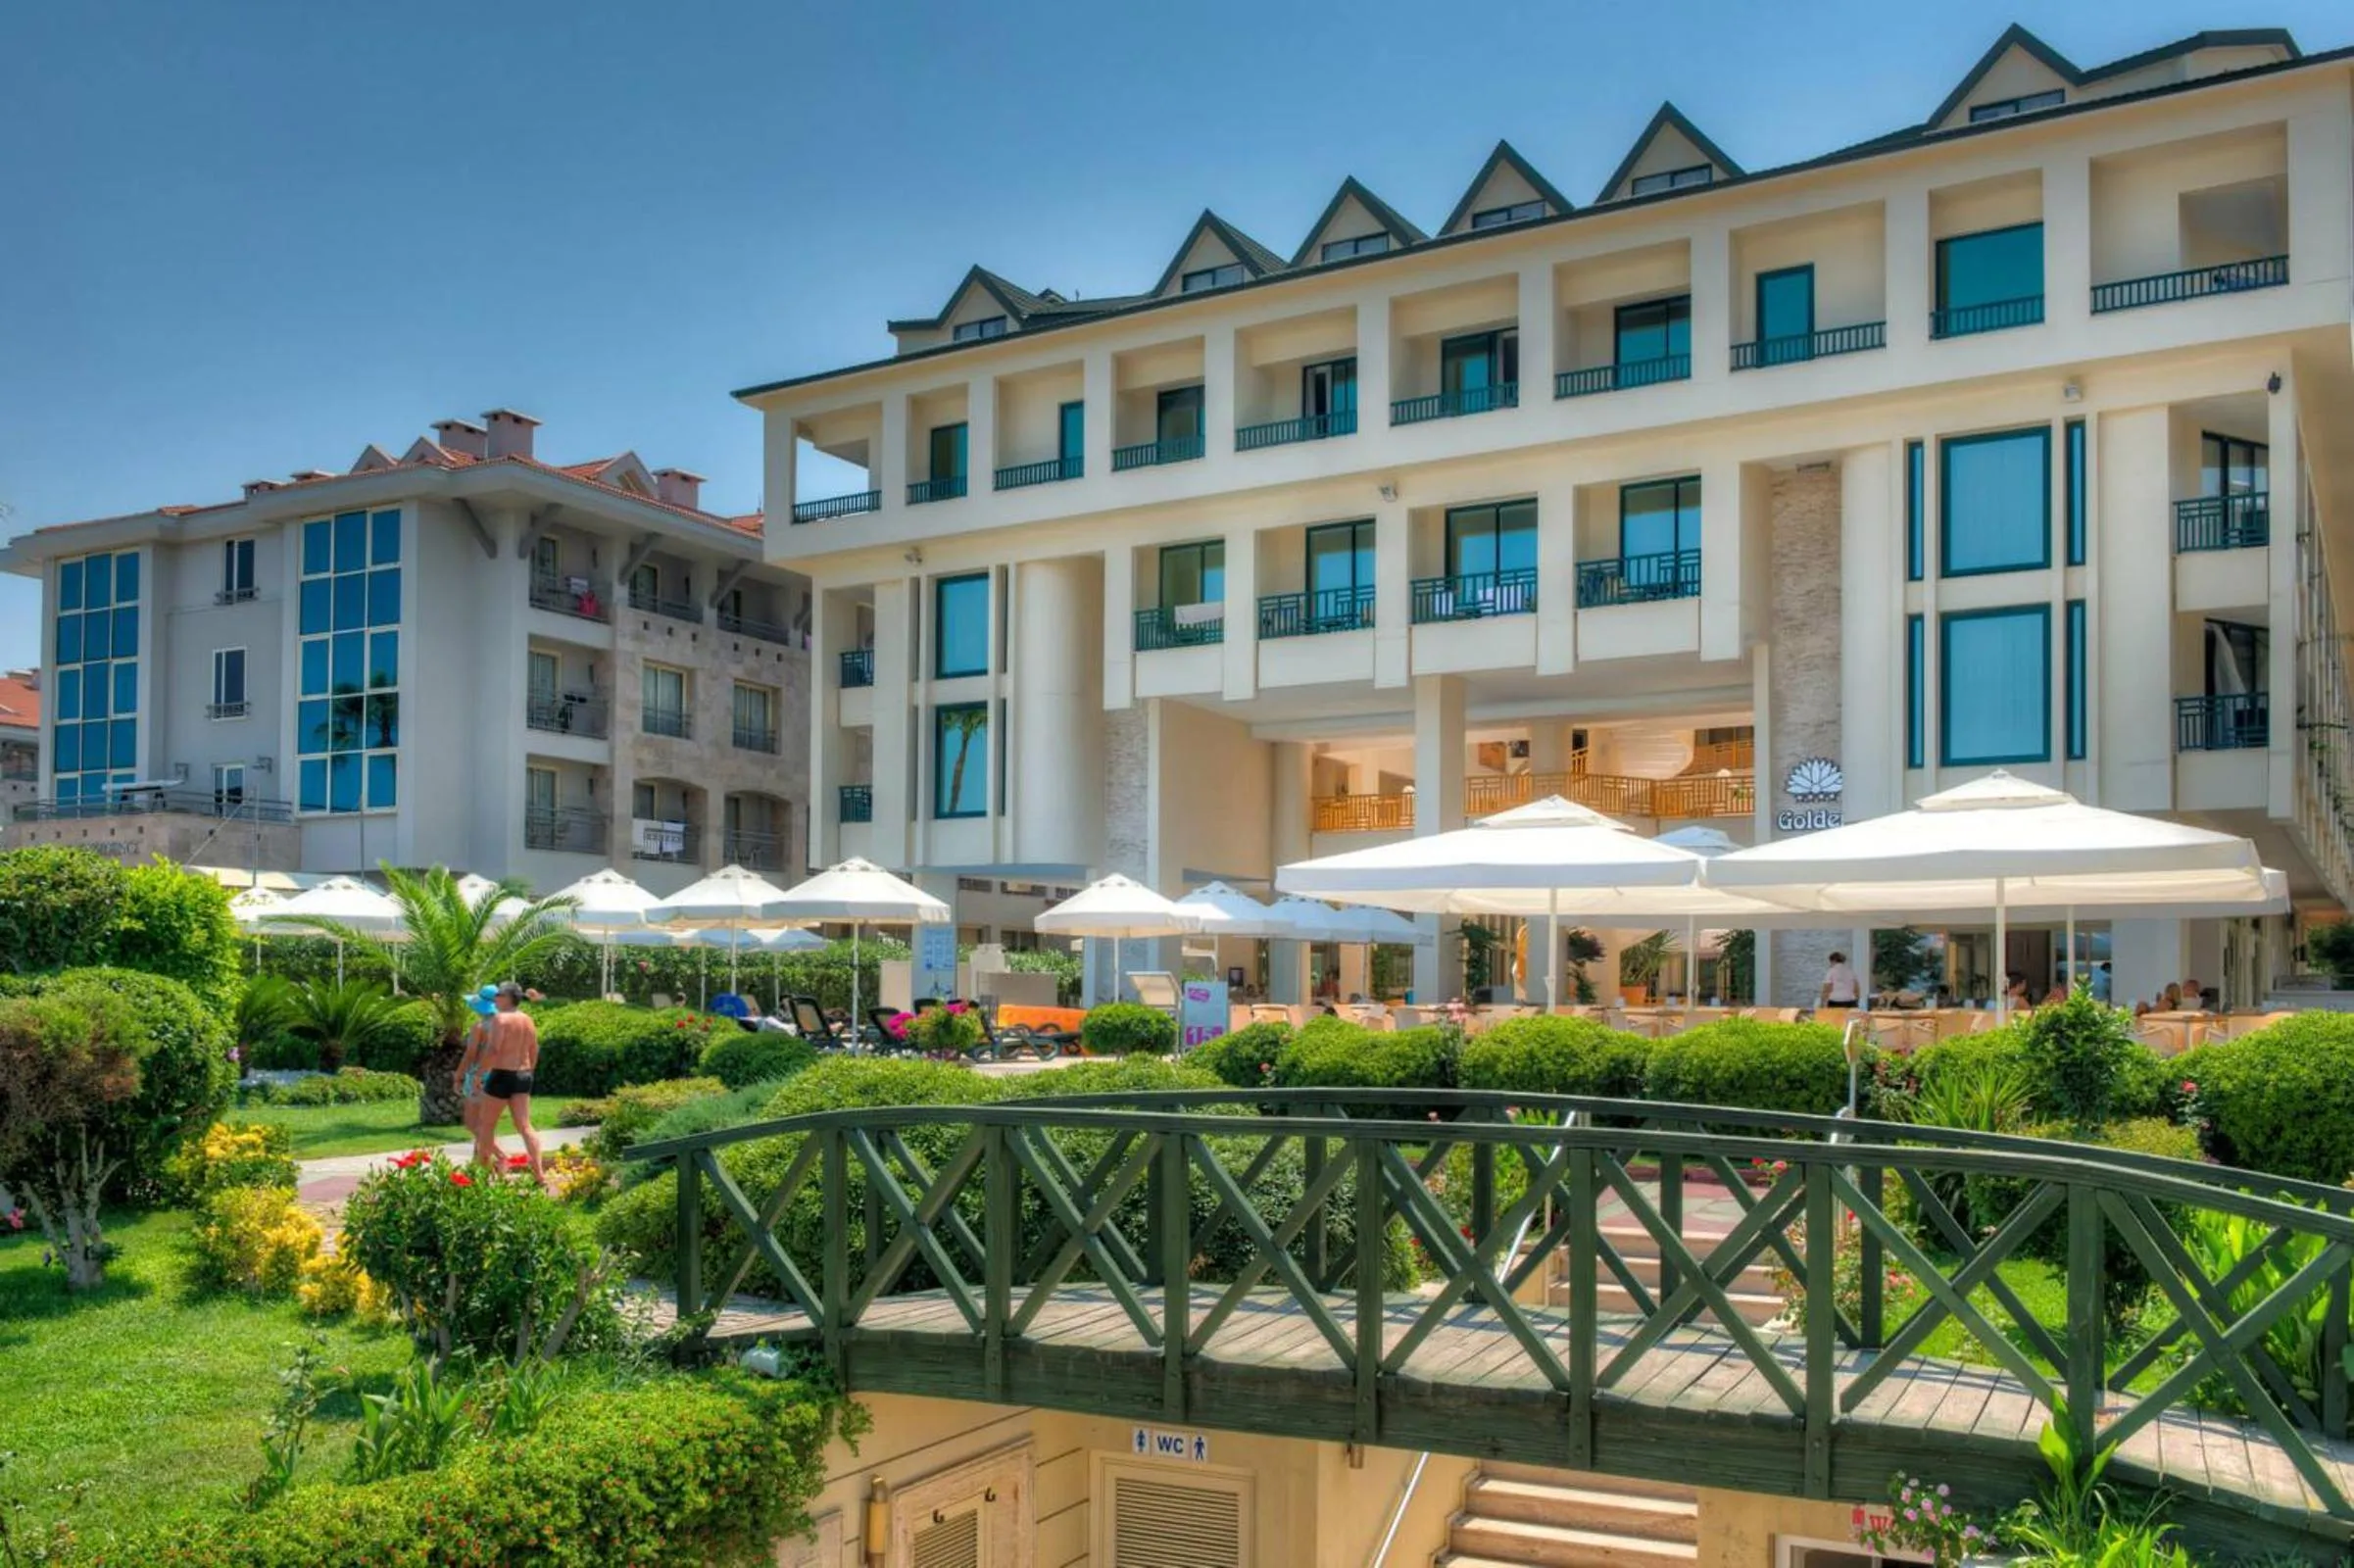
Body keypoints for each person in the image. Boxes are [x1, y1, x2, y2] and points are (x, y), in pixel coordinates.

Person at [477, 981, 547, 1186]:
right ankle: (540, 1174)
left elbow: (494, 1050)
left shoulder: (501, 1019)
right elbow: (534, 1049)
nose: (495, 998)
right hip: (523, 1075)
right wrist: (529, 1070)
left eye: (499, 995)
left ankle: (483, 1173)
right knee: (525, 1126)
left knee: (486, 1125)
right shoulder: (527, 1019)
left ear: (508, 998)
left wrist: (479, 1075)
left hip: (501, 1074)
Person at [451, 984, 499, 1166]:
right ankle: (481, 1161)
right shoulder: (504, 1026)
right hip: (499, 1075)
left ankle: (500, 1156)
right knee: (486, 1123)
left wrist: (458, 1075)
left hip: (478, 1076)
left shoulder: (479, 1027)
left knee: (472, 1123)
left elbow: (470, 1054)